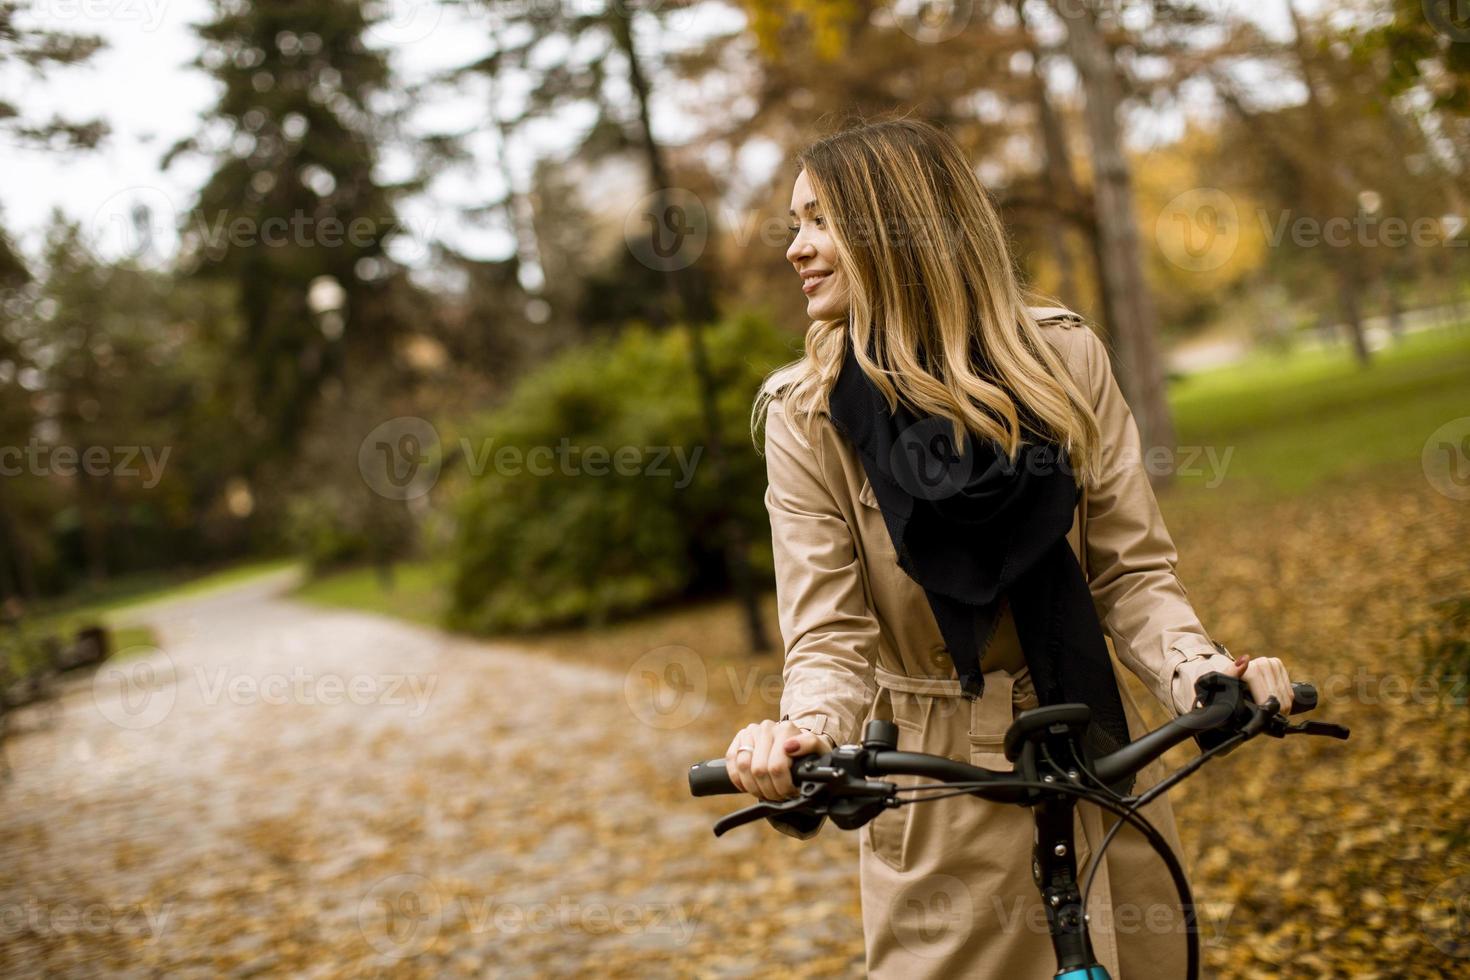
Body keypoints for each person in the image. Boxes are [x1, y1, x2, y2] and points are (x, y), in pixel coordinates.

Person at [726, 118, 1295, 979]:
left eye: (819, 221)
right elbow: (830, 635)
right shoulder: (806, 418)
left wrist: (1204, 673)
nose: (797, 249)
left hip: (1100, 757)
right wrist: (807, 733)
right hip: (940, 791)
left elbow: (1132, 573)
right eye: (796, 224)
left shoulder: (1062, 358)